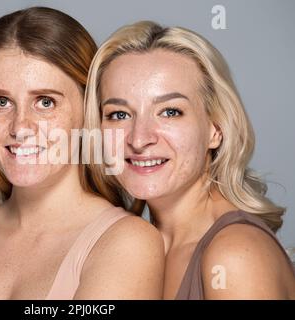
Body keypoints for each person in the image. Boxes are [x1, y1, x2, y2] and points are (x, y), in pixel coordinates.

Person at [0, 8, 164, 300]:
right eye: (0, 101)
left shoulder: (128, 243)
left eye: (45, 102)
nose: (20, 127)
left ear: (88, 110)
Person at [84, 21, 295, 299]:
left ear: (216, 129)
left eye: (170, 112)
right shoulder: (132, 248)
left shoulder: (235, 256)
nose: (139, 138)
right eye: (119, 115)